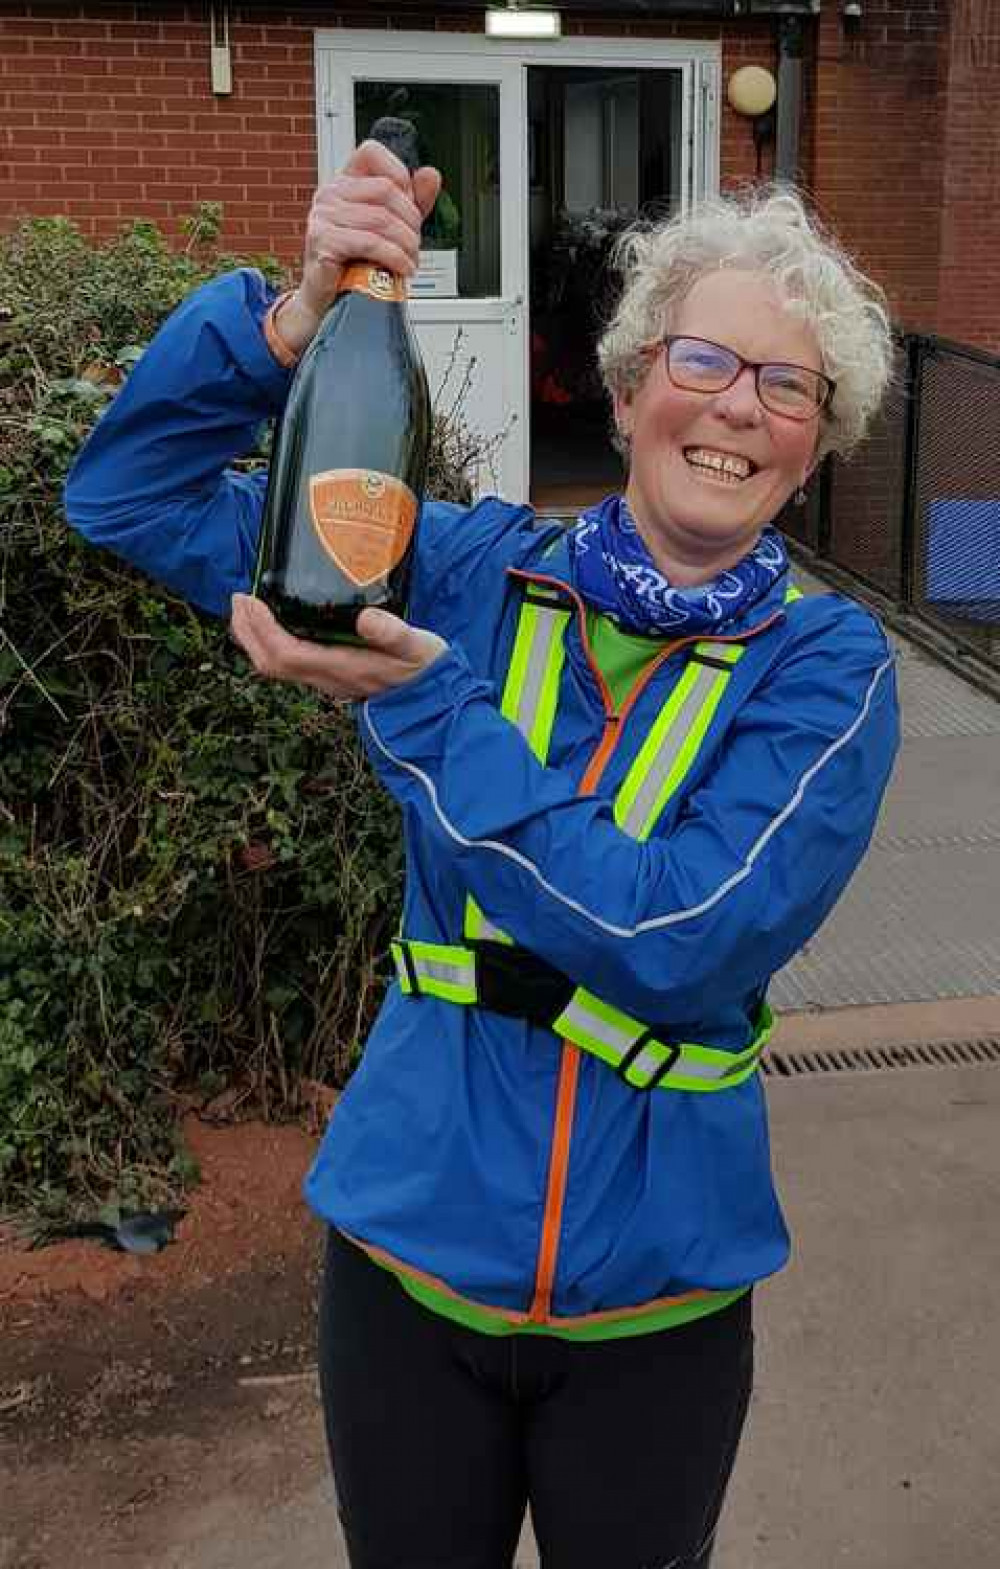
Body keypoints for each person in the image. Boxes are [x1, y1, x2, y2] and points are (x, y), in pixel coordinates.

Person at [64, 141, 899, 1569]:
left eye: (787, 385)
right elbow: (131, 500)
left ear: (812, 445)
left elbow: (676, 934)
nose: (737, 408)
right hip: (407, 1267)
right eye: (705, 360)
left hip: (658, 1307)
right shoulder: (460, 568)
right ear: (630, 389)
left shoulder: (831, 667)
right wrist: (290, 323)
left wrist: (422, 703)